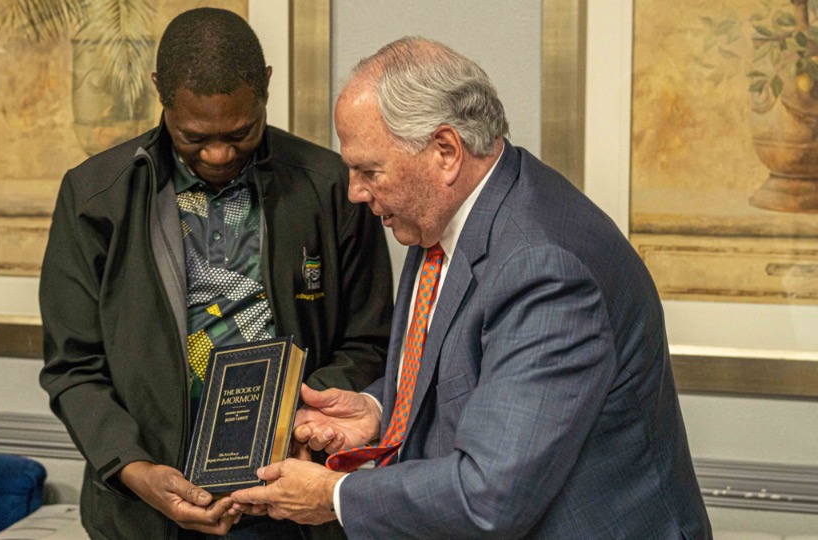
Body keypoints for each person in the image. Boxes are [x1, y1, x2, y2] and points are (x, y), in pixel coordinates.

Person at [230, 37, 713, 539]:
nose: (354, 191)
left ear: (445, 151)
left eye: (369, 170)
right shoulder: (443, 214)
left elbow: (490, 494)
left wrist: (333, 496)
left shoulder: (545, 269)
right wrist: (379, 409)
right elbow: (472, 372)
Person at [38, 8, 392, 539]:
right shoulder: (96, 199)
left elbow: (370, 339)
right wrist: (135, 470)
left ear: (266, 85)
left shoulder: (331, 188)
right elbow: (73, 368)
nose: (220, 153)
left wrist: (304, 418)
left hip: (294, 506)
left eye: (241, 132)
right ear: (159, 93)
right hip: (147, 511)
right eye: (194, 137)